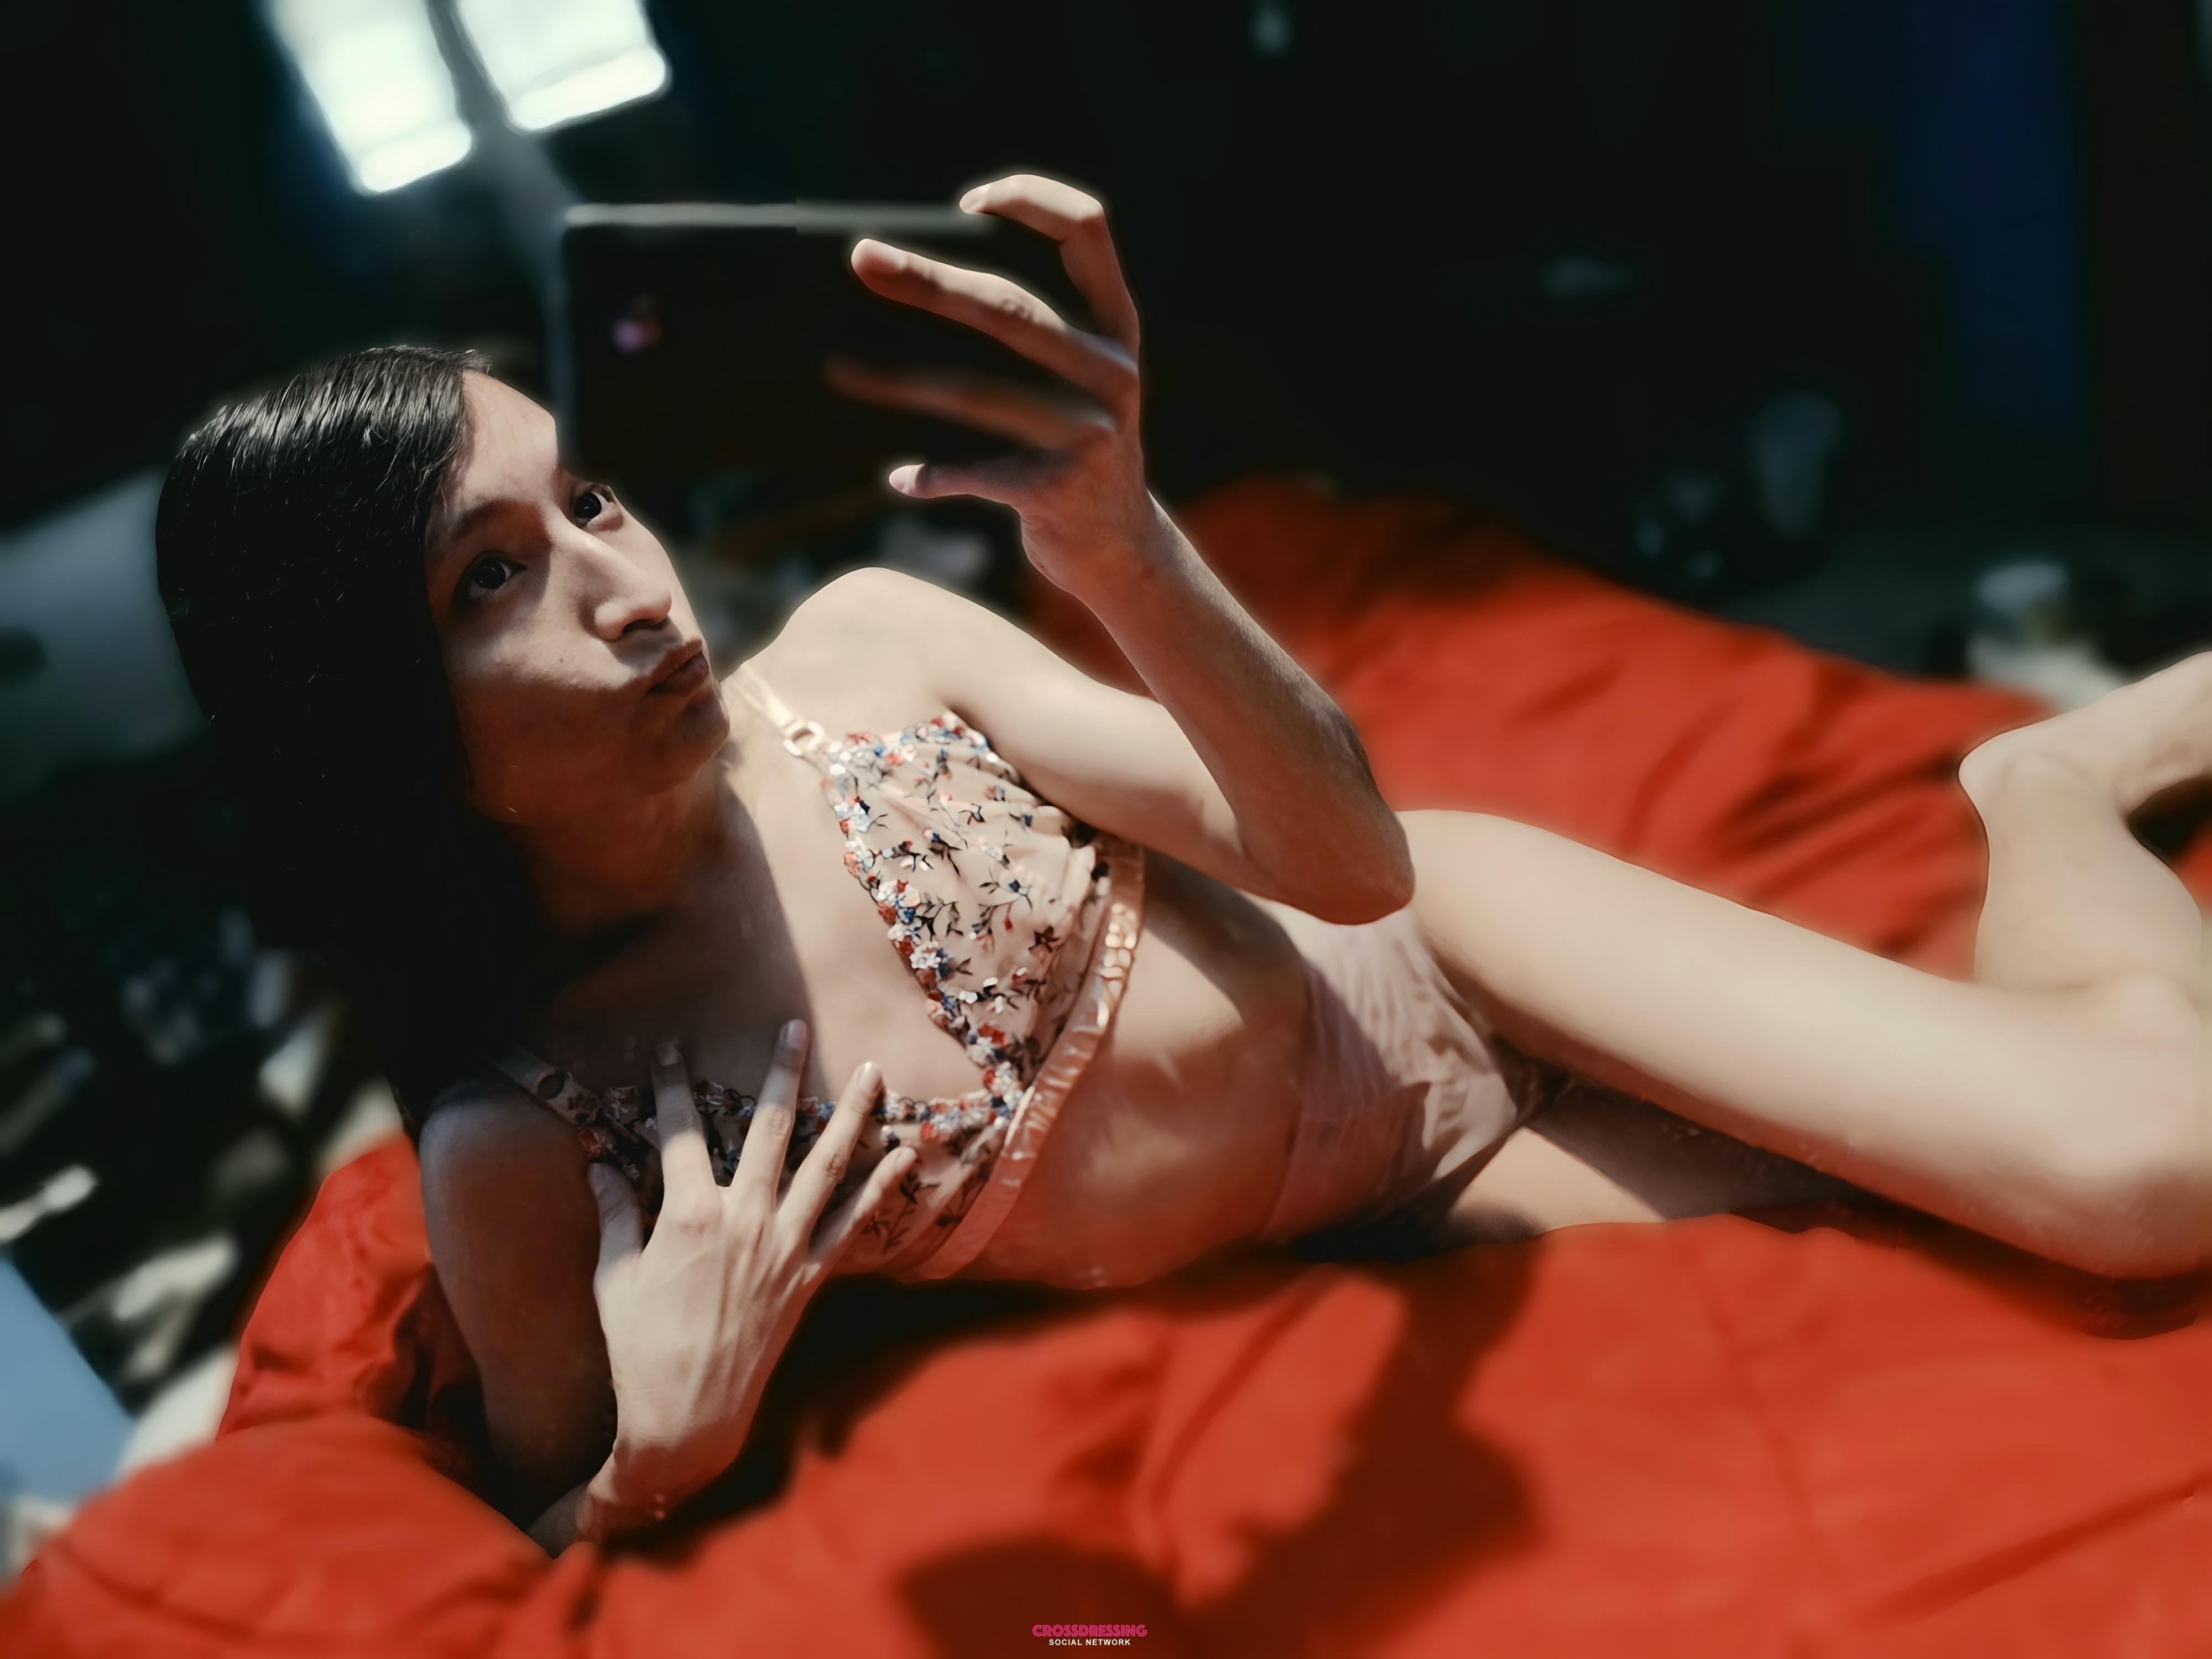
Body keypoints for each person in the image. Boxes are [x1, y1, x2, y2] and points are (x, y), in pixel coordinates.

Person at [154, 176, 2204, 1553]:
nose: (624, 587)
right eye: (493, 577)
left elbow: (1354, 860)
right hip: (1399, 1207)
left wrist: (1125, 548)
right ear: (371, 722)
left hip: (1448, 963)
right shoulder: (523, 1140)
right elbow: (540, 1553)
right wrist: (654, 1464)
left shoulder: (866, 650)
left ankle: (2045, 787)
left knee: (2141, 1178)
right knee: (1936, 1252)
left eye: (591, 499)